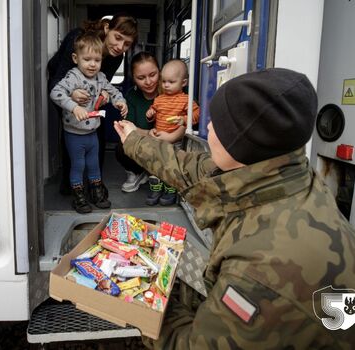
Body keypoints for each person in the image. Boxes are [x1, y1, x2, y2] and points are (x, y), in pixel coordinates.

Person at [114, 68, 355, 349]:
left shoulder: (256, 272)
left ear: (242, 142)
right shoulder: (287, 172)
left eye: (218, 122)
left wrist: (142, 299)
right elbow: (189, 169)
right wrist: (134, 139)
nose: (209, 128)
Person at [47, 13, 138, 196]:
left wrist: (105, 94)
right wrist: (71, 94)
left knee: (98, 129)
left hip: (91, 92)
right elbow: (57, 81)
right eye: (117, 38)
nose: (120, 47)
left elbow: (104, 82)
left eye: (127, 44)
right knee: (71, 133)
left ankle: (96, 183)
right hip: (63, 82)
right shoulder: (77, 38)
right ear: (107, 29)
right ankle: (70, 184)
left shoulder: (117, 57)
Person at [115, 52, 186, 193]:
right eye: (141, 78)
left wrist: (171, 136)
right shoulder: (131, 96)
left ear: (160, 72)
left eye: (152, 75)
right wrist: (148, 133)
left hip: (170, 143)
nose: (148, 82)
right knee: (121, 147)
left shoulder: (173, 90)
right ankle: (136, 173)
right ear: (133, 79)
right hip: (145, 144)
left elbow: (189, 120)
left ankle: (166, 178)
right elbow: (128, 127)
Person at [145, 59, 199, 206]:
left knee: (171, 165)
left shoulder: (186, 100)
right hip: (158, 138)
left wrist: (183, 119)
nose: (166, 85)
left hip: (175, 140)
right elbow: (154, 112)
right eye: (163, 81)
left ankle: (171, 189)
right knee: (155, 164)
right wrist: (150, 114)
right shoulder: (159, 99)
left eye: (171, 82)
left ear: (183, 83)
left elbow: (196, 114)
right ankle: (156, 188)